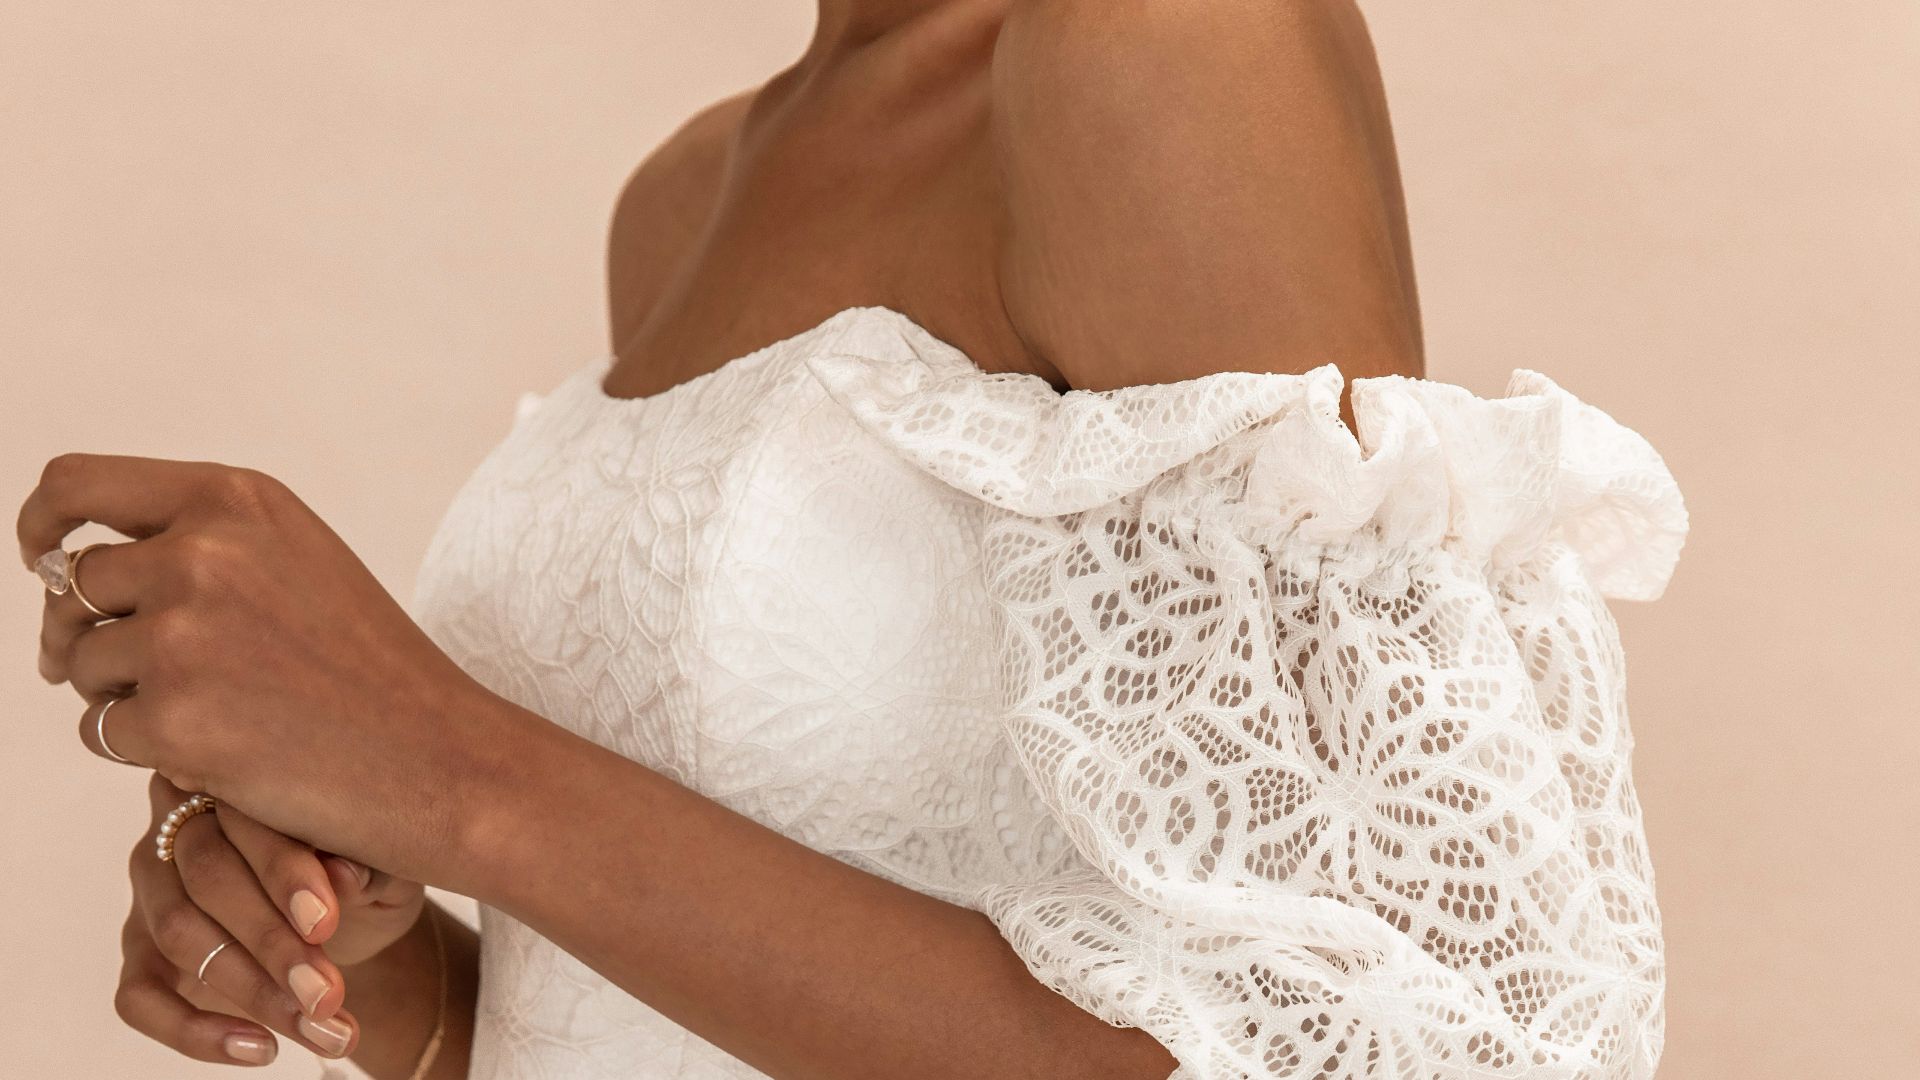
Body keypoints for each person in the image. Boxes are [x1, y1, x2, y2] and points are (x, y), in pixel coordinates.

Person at [22, 1, 1688, 1077]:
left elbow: (1430, 1041)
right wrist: (396, 989)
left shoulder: (1161, 44)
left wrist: (451, 769)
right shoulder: (681, 197)